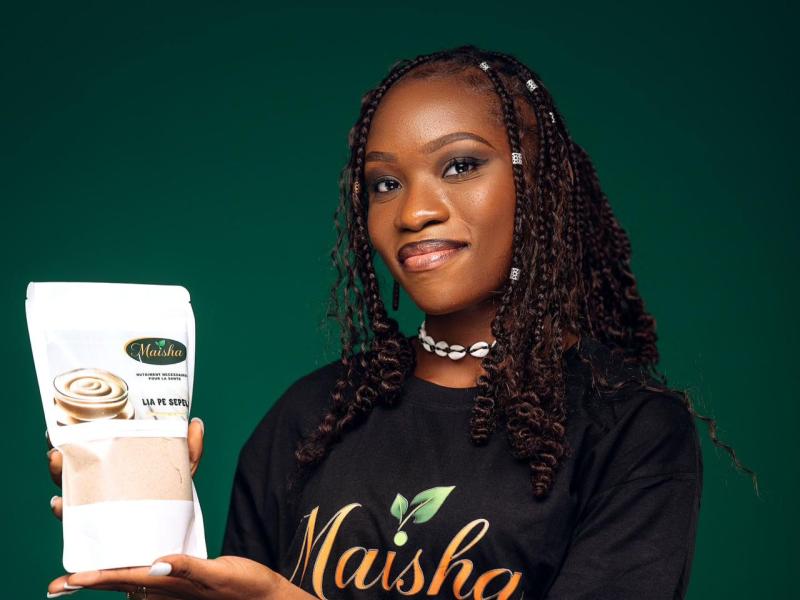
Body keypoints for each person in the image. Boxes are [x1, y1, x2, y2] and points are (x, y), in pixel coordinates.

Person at [45, 44, 756, 600]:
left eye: (460, 166)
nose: (413, 210)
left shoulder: (630, 430)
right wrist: (161, 567)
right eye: (385, 183)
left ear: (539, 185)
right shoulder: (311, 417)